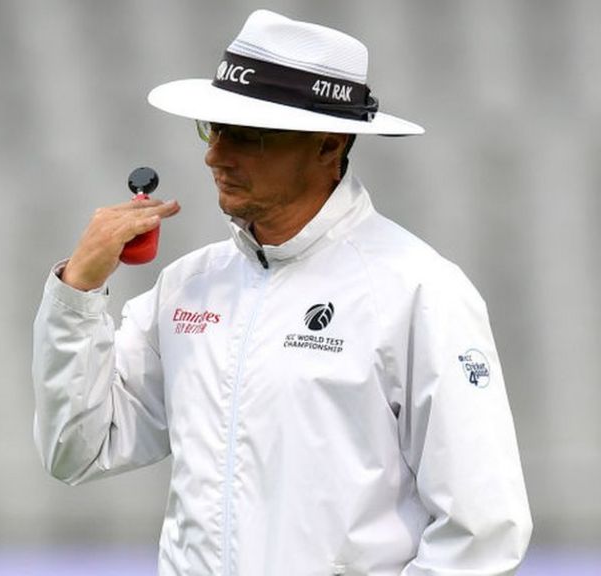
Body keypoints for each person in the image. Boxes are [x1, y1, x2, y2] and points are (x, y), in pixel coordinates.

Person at [31, 9, 531, 576]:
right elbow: (77, 450)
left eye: (247, 135)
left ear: (328, 144)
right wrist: (78, 292)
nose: (215, 155)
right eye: (213, 128)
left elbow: (483, 534)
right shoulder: (188, 287)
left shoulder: (420, 290)